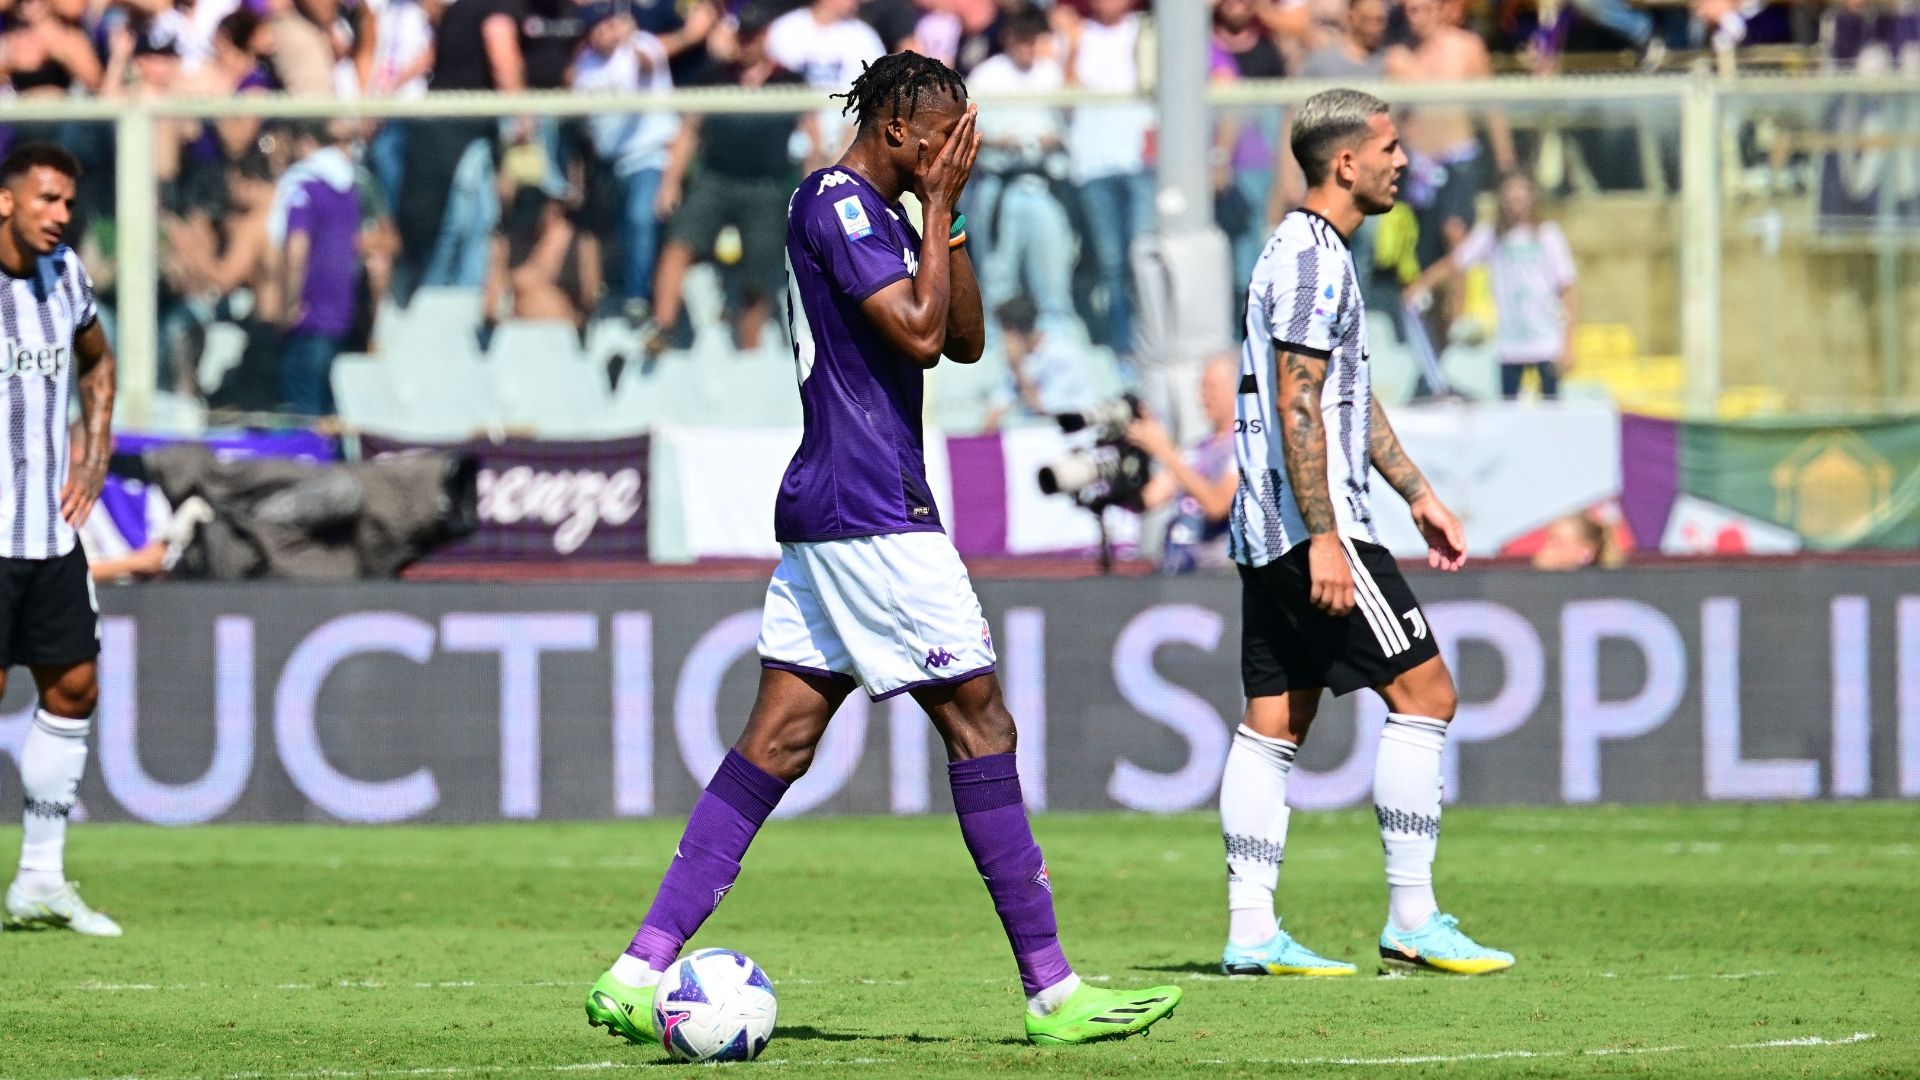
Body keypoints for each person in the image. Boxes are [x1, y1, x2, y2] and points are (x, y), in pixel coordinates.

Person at [584, 51, 1181, 1048]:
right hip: (871, 510)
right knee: (981, 726)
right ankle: (1052, 992)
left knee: (778, 738)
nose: (959, 145)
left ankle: (636, 969)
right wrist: (934, 209)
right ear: (897, 130)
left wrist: (945, 214)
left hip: (837, 507)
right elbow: (914, 328)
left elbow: (966, 341)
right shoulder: (838, 202)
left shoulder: (894, 213)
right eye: (946, 131)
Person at [1221, 89, 1513, 979]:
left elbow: (1343, 393)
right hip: (1317, 527)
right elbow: (1297, 400)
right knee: (1426, 697)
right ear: (1345, 162)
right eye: (1389, 147)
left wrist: (1417, 491)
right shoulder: (1313, 259)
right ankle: (1413, 920)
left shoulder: (1312, 255)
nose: (1403, 162)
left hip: (1266, 526)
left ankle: (1249, 932)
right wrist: (1326, 536)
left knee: (1275, 719)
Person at [0, 144, 120, 937]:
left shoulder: (66, 275)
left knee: (74, 685)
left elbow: (97, 362)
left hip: (46, 529)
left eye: (68, 203)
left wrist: (95, 450)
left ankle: (41, 877)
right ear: (5, 201)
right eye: (46, 199)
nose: (60, 215)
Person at [647, 2, 816, 354]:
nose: (746, 42)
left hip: (766, 184)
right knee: (679, 240)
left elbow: (811, 138)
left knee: (758, 271)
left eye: (753, 35)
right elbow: (689, 131)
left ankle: (749, 350)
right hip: (716, 177)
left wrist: (813, 192)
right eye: (742, 34)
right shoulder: (714, 76)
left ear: (766, 35)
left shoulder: (790, 81)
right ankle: (661, 328)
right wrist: (670, 182)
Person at [1405, 171, 1578, 400]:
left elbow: (1567, 288)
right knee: (1509, 414)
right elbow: (1457, 262)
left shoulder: (1548, 236)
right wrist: (1423, 284)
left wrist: (1568, 342)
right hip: (1509, 346)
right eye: (1510, 192)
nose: (1515, 198)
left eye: (1521, 192)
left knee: (1551, 413)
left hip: (1546, 343)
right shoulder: (1492, 236)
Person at [571, 1, 679, 321]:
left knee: (640, 219)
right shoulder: (586, 64)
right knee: (615, 230)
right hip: (609, 162)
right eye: (596, 28)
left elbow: (648, 64)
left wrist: (630, 38)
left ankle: (638, 296)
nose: (603, 32)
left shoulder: (640, 47)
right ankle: (615, 293)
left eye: (607, 25)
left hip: (649, 154)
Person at [965, 8, 1074, 326]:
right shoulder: (985, 75)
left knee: (1053, 278)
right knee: (998, 278)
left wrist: (1050, 140)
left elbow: (1068, 129)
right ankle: (1001, 356)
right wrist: (1000, 142)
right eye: (1021, 41)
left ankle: (1057, 351)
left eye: (1032, 42)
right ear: (1008, 40)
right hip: (999, 183)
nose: (1027, 49)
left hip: (1042, 183)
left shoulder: (1050, 74)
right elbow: (968, 132)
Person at [271, 122, 363, 416]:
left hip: (307, 317)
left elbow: (297, 250)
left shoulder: (303, 186)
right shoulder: (349, 189)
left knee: (303, 415)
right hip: (340, 316)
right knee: (330, 413)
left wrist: (288, 306)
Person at [1128, 353, 1238, 573]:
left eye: (1211, 388)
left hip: (1214, 576)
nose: (1203, 397)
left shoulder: (1245, 448)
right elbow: (1147, 500)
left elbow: (1217, 505)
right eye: (1201, 388)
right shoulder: (1195, 451)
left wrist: (1166, 452)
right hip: (1175, 570)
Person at [982, 296, 1094, 430]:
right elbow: (999, 403)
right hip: (1037, 434)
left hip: (1073, 430)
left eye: (1004, 332)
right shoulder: (1018, 358)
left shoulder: (1062, 353)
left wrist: (1018, 368)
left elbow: (1047, 410)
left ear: (1014, 331)